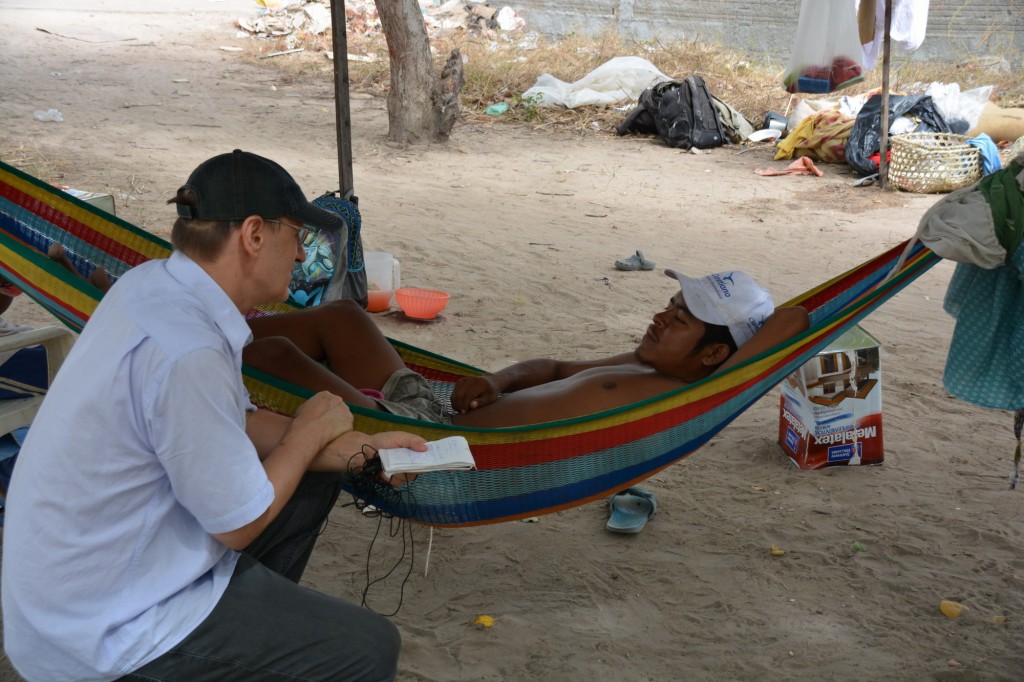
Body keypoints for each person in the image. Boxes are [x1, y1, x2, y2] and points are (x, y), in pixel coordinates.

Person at [1, 150, 427, 682]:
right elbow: (240, 524)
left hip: (81, 586)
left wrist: (364, 444)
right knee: (367, 647)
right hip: (99, 630)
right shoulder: (187, 349)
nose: (300, 255)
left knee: (316, 473)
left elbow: (236, 425)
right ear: (253, 235)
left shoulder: (157, 287)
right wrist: (309, 432)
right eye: (296, 235)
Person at [240, 269, 810, 428]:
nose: (661, 318)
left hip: (427, 443)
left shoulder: (695, 390)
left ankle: (194, 338)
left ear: (716, 356)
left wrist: (742, 344)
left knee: (278, 361)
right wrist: (497, 380)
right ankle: (208, 321)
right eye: (669, 305)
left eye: (682, 319)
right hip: (437, 406)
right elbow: (553, 367)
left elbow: (794, 318)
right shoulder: (641, 364)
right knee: (341, 318)